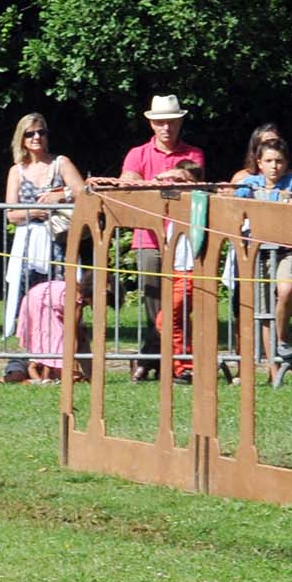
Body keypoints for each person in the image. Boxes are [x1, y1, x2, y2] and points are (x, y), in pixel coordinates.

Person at [100, 94, 207, 377]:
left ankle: (152, 358)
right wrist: (153, 181)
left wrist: (154, 181)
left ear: (180, 122)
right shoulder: (138, 153)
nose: (166, 128)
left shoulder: (193, 153)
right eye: (160, 122)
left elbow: (191, 178)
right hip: (148, 238)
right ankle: (165, 360)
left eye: (171, 122)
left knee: (179, 305)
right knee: (153, 304)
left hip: (183, 239)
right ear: (151, 124)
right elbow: (126, 183)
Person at [2, 114, 83, 378]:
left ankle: (61, 360)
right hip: (28, 244)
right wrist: (34, 211)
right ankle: (25, 360)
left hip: (58, 241)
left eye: (41, 132)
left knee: (61, 299)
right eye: (30, 133)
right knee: (27, 301)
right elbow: (11, 213)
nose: (36, 137)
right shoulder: (16, 171)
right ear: (22, 139)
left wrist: (60, 196)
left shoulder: (61, 163)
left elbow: (84, 192)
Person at [234, 137, 292, 366]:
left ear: (286, 163)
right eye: (269, 161)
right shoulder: (251, 183)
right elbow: (232, 202)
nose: (274, 166)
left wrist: (288, 204)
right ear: (259, 163)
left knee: (286, 289)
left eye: (279, 161)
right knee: (264, 311)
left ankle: (282, 339)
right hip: (259, 252)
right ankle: (274, 368)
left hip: (287, 250)